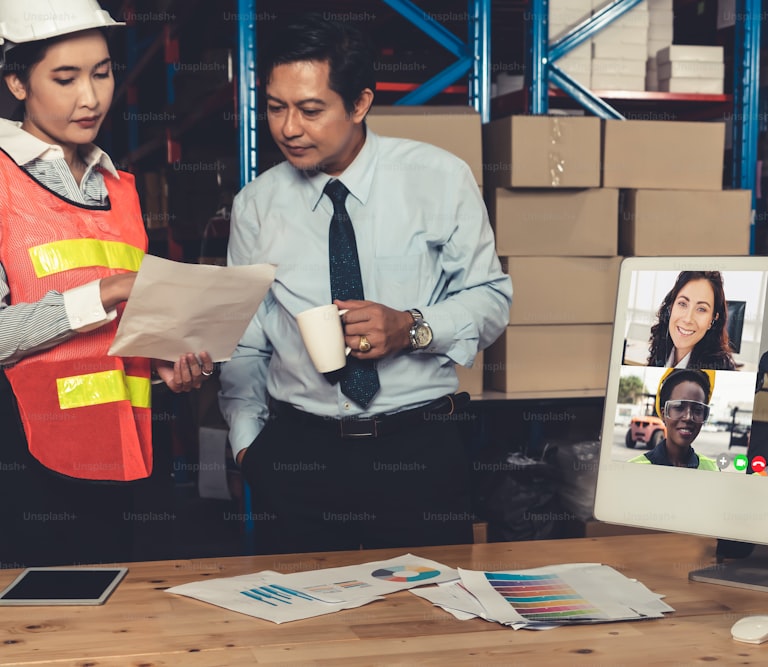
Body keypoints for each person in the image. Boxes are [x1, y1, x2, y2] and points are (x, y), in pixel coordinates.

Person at [218, 14, 512, 556]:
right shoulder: (255, 206)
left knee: (432, 628)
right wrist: (246, 446)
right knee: (300, 631)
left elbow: (492, 299)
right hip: (297, 457)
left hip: (418, 455)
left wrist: (412, 328)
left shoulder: (439, 178)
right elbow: (245, 342)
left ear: (359, 104)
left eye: (310, 110)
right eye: (275, 107)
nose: (288, 128)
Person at [0, 0, 212, 567]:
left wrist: (165, 360)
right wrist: (108, 292)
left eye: (102, 72)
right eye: (64, 78)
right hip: (25, 463)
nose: (90, 97)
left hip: (127, 459)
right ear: (17, 81)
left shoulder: (120, 187)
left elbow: (121, 331)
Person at [630, 368, 719, 470]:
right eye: (679, 407)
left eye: (697, 410)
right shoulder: (634, 468)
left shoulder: (712, 468)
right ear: (664, 414)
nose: (688, 417)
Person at [647, 271, 736, 370]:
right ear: (671, 307)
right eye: (682, 304)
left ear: (713, 319)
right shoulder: (660, 349)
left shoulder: (720, 370)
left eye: (701, 309)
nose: (688, 319)